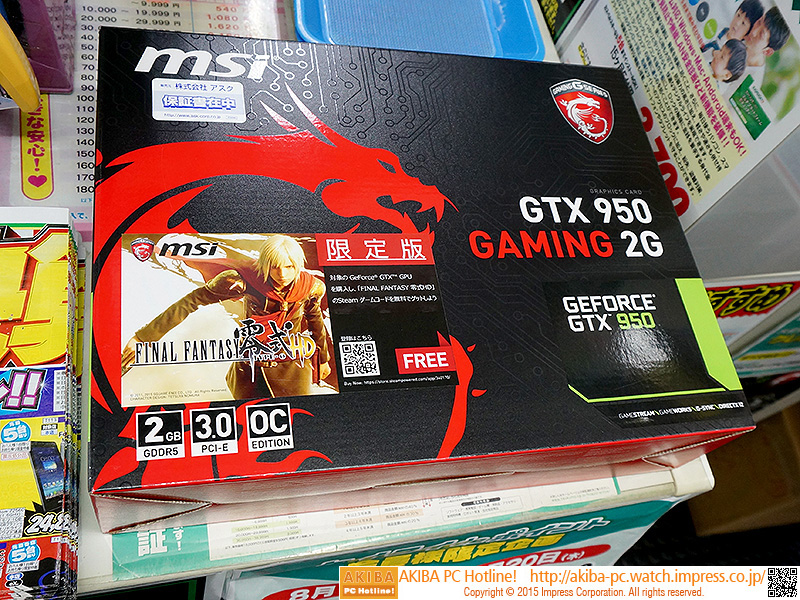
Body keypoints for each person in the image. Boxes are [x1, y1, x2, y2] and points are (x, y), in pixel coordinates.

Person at [121, 234, 333, 399]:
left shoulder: (311, 287)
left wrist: (323, 360)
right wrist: (145, 336)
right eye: (275, 267)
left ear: (297, 264)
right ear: (265, 264)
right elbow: (191, 301)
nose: (282, 274)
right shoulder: (242, 280)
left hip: (292, 370)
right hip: (251, 367)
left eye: (289, 267)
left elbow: (315, 320)